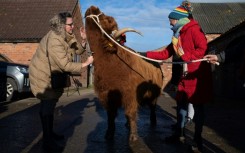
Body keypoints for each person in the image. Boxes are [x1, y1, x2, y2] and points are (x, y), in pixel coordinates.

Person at [140, 1, 212, 152]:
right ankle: (179, 133)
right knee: (181, 104)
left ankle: (197, 140)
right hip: (185, 77)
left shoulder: (194, 30)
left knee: (198, 107)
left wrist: (186, 56)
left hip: (197, 75)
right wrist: (144, 54)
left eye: (171, 20)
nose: (169, 23)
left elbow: (203, 48)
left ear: (178, 19)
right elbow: (165, 53)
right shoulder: (177, 36)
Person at [29, 12, 93, 152]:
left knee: (50, 106)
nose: (73, 26)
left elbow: (76, 51)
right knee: (47, 106)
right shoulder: (55, 40)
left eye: (72, 24)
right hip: (42, 75)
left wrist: (83, 40)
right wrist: (85, 64)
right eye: (70, 24)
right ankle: (47, 142)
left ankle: (50, 134)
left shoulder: (65, 36)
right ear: (62, 25)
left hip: (51, 74)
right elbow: (65, 65)